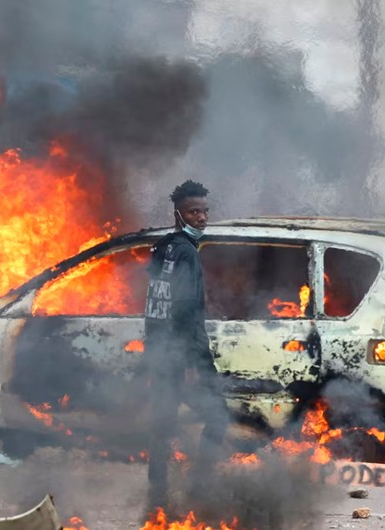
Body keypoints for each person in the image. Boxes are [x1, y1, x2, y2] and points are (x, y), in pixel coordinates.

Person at [144, 180, 229, 511]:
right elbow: (185, 311)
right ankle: (199, 486)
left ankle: (157, 490)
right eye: (194, 212)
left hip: (160, 354)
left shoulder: (161, 248)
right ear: (178, 214)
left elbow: (153, 304)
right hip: (182, 356)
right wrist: (193, 363)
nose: (202, 218)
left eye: (205, 211)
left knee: (163, 422)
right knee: (218, 417)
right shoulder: (187, 254)